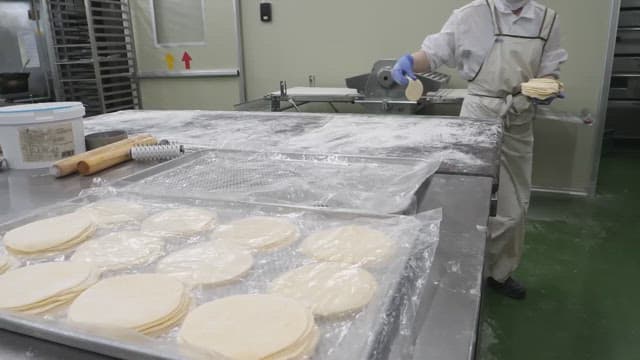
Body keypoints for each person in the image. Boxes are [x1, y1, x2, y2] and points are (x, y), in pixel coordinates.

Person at [392, 0, 568, 299]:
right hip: (477, 114)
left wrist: (547, 88)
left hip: (519, 114)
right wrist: (409, 61)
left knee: (514, 206)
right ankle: (458, 266)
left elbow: (550, 70)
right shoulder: (470, 15)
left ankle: (499, 273)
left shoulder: (546, 21)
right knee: (465, 197)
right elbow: (435, 53)